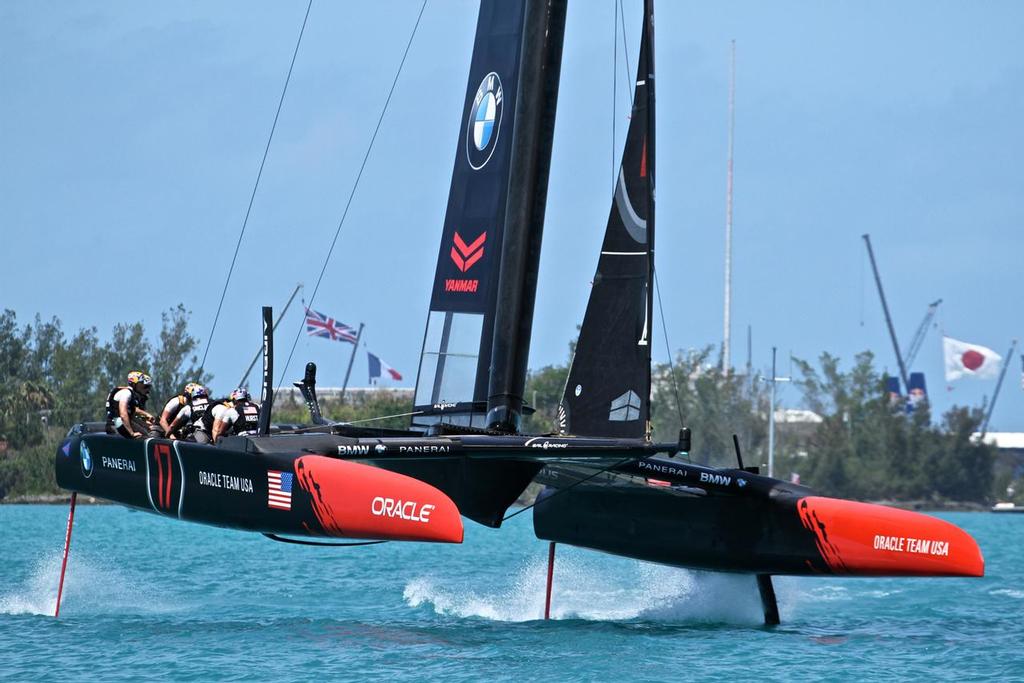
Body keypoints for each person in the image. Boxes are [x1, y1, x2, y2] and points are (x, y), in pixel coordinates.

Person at [105, 371, 153, 439]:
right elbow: (123, 414)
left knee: (146, 434)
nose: (142, 385)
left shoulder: (130, 394)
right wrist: (131, 433)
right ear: (134, 384)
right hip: (115, 425)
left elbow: (132, 417)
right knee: (143, 437)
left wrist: (147, 426)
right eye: (141, 383)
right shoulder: (127, 393)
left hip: (119, 424)